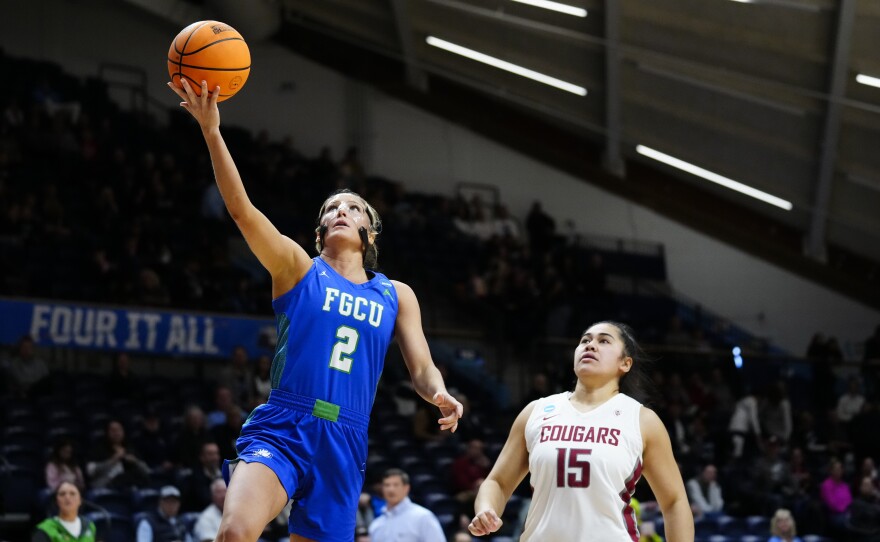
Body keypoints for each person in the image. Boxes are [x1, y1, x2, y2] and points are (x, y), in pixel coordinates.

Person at [168, 78, 462, 542]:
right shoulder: (297, 268)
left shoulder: (396, 294)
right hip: (285, 422)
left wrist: (439, 394)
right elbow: (243, 211)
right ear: (320, 231)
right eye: (332, 208)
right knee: (235, 531)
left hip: (345, 439)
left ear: (370, 232)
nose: (342, 211)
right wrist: (211, 131)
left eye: (354, 207)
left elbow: (422, 369)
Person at [467, 322, 693, 541]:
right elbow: (497, 482)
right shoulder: (536, 411)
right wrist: (486, 509)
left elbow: (674, 501)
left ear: (625, 363)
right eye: (585, 340)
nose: (590, 345)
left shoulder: (642, 420)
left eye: (604, 341)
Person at [368, 469, 446, 542]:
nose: (391, 489)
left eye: (396, 485)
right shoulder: (376, 525)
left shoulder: (422, 517)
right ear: (382, 489)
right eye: (387, 485)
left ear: (406, 488)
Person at [32, 481, 97, 542]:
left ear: (80, 500)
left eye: (72, 494)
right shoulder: (45, 529)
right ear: (56, 501)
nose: (67, 497)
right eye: (62, 494)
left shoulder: (90, 526)